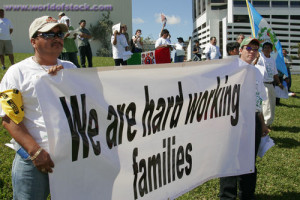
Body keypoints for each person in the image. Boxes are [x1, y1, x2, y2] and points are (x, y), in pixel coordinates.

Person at [0, 15, 77, 200]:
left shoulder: (71, 68)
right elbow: (9, 119)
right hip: (33, 161)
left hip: (71, 157)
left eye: (59, 34)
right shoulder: (16, 72)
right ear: (34, 41)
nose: (57, 38)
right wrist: (36, 153)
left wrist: (63, 82)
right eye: (49, 34)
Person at [219, 37, 269, 200]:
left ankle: (247, 194)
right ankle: (227, 196)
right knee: (229, 161)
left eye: (255, 49)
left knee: (249, 161)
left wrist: (262, 124)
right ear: (240, 50)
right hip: (231, 120)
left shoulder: (257, 72)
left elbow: (258, 101)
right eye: (248, 48)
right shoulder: (228, 68)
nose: (252, 52)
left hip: (252, 120)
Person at [255, 42, 283, 128]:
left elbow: (275, 73)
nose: (267, 49)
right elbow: (254, 65)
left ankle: (269, 122)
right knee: (265, 104)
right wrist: (257, 58)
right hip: (263, 84)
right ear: (262, 49)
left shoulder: (272, 60)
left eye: (269, 48)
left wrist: (278, 83)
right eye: (265, 48)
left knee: (271, 104)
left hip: (271, 84)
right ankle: (265, 124)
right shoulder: (260, 58)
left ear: (271, 50)